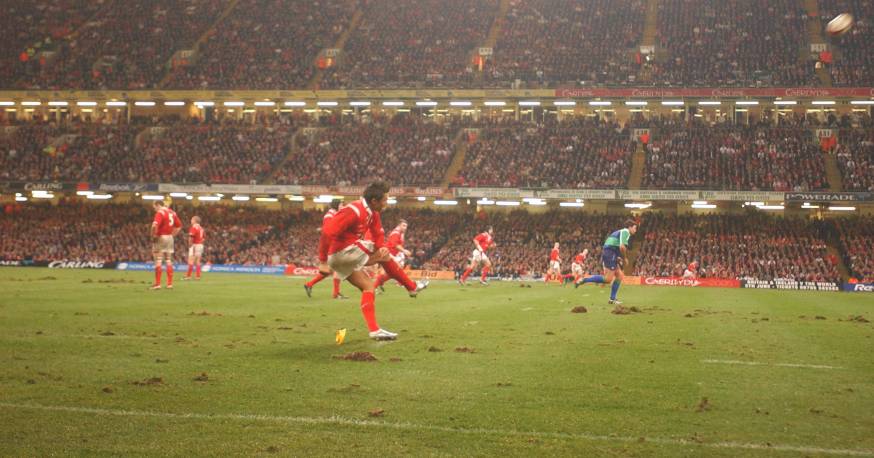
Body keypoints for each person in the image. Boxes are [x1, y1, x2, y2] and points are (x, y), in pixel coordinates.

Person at [318, 182, 428, 341]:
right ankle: (411, 287)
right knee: (384, 255)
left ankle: (374, 330)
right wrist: (322, 261)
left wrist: (381, 248)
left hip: (343, 257)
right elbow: (327, 232)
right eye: (385, 200)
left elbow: (377, 234)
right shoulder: (354, 210)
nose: (387, 203)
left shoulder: (373, 213)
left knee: (368, 286)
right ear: (374, 201)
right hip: (342, 252)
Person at [576, 220, 639, 304]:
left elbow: (614, 245)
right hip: (610, 253)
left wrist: (617, 257)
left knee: (619, 275)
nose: (635, 230)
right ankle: (585, 279)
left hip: (609, 252)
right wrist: (625, 258)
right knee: (608, 279)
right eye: (635, 228)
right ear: (630, 227)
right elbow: (622, 247)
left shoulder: (620, 232)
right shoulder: (626, 232)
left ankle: (612, 299)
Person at [304, 200, 346, 299]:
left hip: (331, 244)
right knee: (338, 268)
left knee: (329, 271)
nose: (343, 206)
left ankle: (309, 284)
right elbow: (328, 231)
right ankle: (336, 294)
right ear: (336, 205)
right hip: (330, 244)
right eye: (341, 204)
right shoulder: (330, 215)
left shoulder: (334, 214)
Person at [374, 219, 413, 292]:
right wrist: (404, 251)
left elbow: (399, 244)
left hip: (394, 254)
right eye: (403, 226)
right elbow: (394, 245)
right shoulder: (396, 233)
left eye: (406, 226)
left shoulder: (400, 233)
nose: (405, 228)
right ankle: (376, 284)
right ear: (399, 225)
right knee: (393, 271)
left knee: (394, 271)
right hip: (390, 254)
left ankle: (378, 283)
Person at [150, 200, 181, 290]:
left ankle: (158, 284)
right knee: (168, 260)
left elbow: (154, 226)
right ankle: (169, 284)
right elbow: (179, 226)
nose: (154, 209)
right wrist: (172, 235)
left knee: (158, 260)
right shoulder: (172, 212)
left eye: (154, 207)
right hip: (169, 238)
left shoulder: (160, 213)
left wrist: (153, 235)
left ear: (158, 205)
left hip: (161, 237)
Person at [184, 216, 205, 280]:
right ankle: (198, 276)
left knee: (191, 260)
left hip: (194, 245)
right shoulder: (201, 228)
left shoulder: (194, 227)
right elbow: (204, 238)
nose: (191, 221)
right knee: (198, 261)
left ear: (194, 220)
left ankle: (188, 276)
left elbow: (191, 237)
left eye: (191, 220)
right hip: (200, 245)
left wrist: (190, 244)